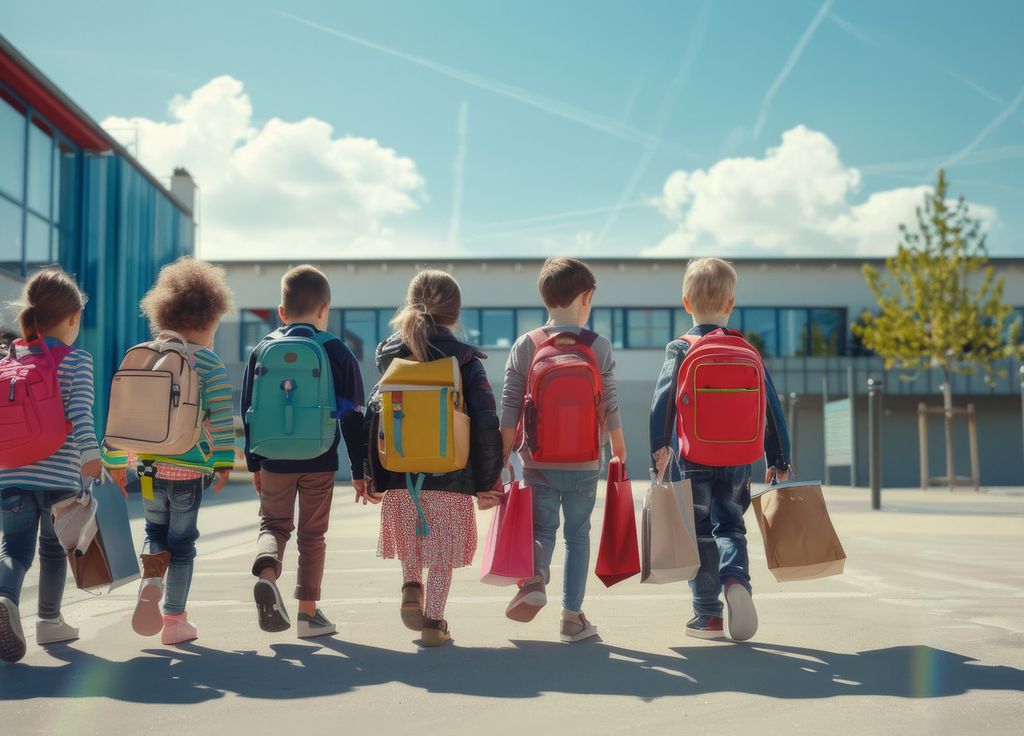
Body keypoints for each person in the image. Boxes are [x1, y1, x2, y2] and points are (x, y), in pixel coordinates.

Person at [649, 257, 791, 641]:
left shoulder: (680, 348)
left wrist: (658, 447)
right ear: (730, 305)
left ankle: (708, 615)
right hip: (738, 459)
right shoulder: (745, 348)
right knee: (730, 525)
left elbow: (663, 400)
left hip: (692, 457)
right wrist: (779, 457)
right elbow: (771, 407)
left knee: (698, 531)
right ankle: (736, 581)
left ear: (685, 302)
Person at [364, 270, 503, 647]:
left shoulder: (390, 358)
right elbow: (486, 424)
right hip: (451, 477)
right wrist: (488, 480)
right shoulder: (466, 361)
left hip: (400, 475)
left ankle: (411, 585)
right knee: (441, 557)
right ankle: (435, 622)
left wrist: (370, 476)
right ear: (455, 314)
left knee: (413, 544)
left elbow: (372, 414)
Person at [105, 258, 235, 646]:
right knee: (183, 545)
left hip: (146, 470)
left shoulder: (142, 354)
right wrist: (224, 462)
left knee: (153, 531)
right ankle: (175, 620)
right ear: (209, 321)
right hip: (189, 472)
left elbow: (121, 415)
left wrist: (114, 462)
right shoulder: (208, 361)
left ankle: (150, 579)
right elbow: (223, 416)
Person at [501, 257, 626, 643]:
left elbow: (509, 404)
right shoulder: (598, 346)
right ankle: (572, 618)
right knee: (578, 535)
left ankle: (535, 577)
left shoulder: (528, 344)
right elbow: (610, 403)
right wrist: (619, 448)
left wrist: (502, 455)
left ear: (545, 298)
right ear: (586, 298)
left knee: (542, 529)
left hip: (537, 459)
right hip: (586, 460)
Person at [242, 265, 368, 639]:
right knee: (312, 536)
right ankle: (308, 616)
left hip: (273, 459)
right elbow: (354, 417)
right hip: (320, 459)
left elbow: (249, 410)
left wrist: (254, 463)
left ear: (281, 312)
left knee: (273, 525)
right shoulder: (337, 351)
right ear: (324, 309)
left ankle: (267, 571)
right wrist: (360, 470)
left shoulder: (262, 350)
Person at [0, 269, 100, 663]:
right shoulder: (76, 359)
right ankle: (49, 620)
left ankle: (5, 596)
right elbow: (82, 413)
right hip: (58, 474)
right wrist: (91, 457)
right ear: (73, 317)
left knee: (15, 549)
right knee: (54, 551)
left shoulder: (8, 359)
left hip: (10, 473)